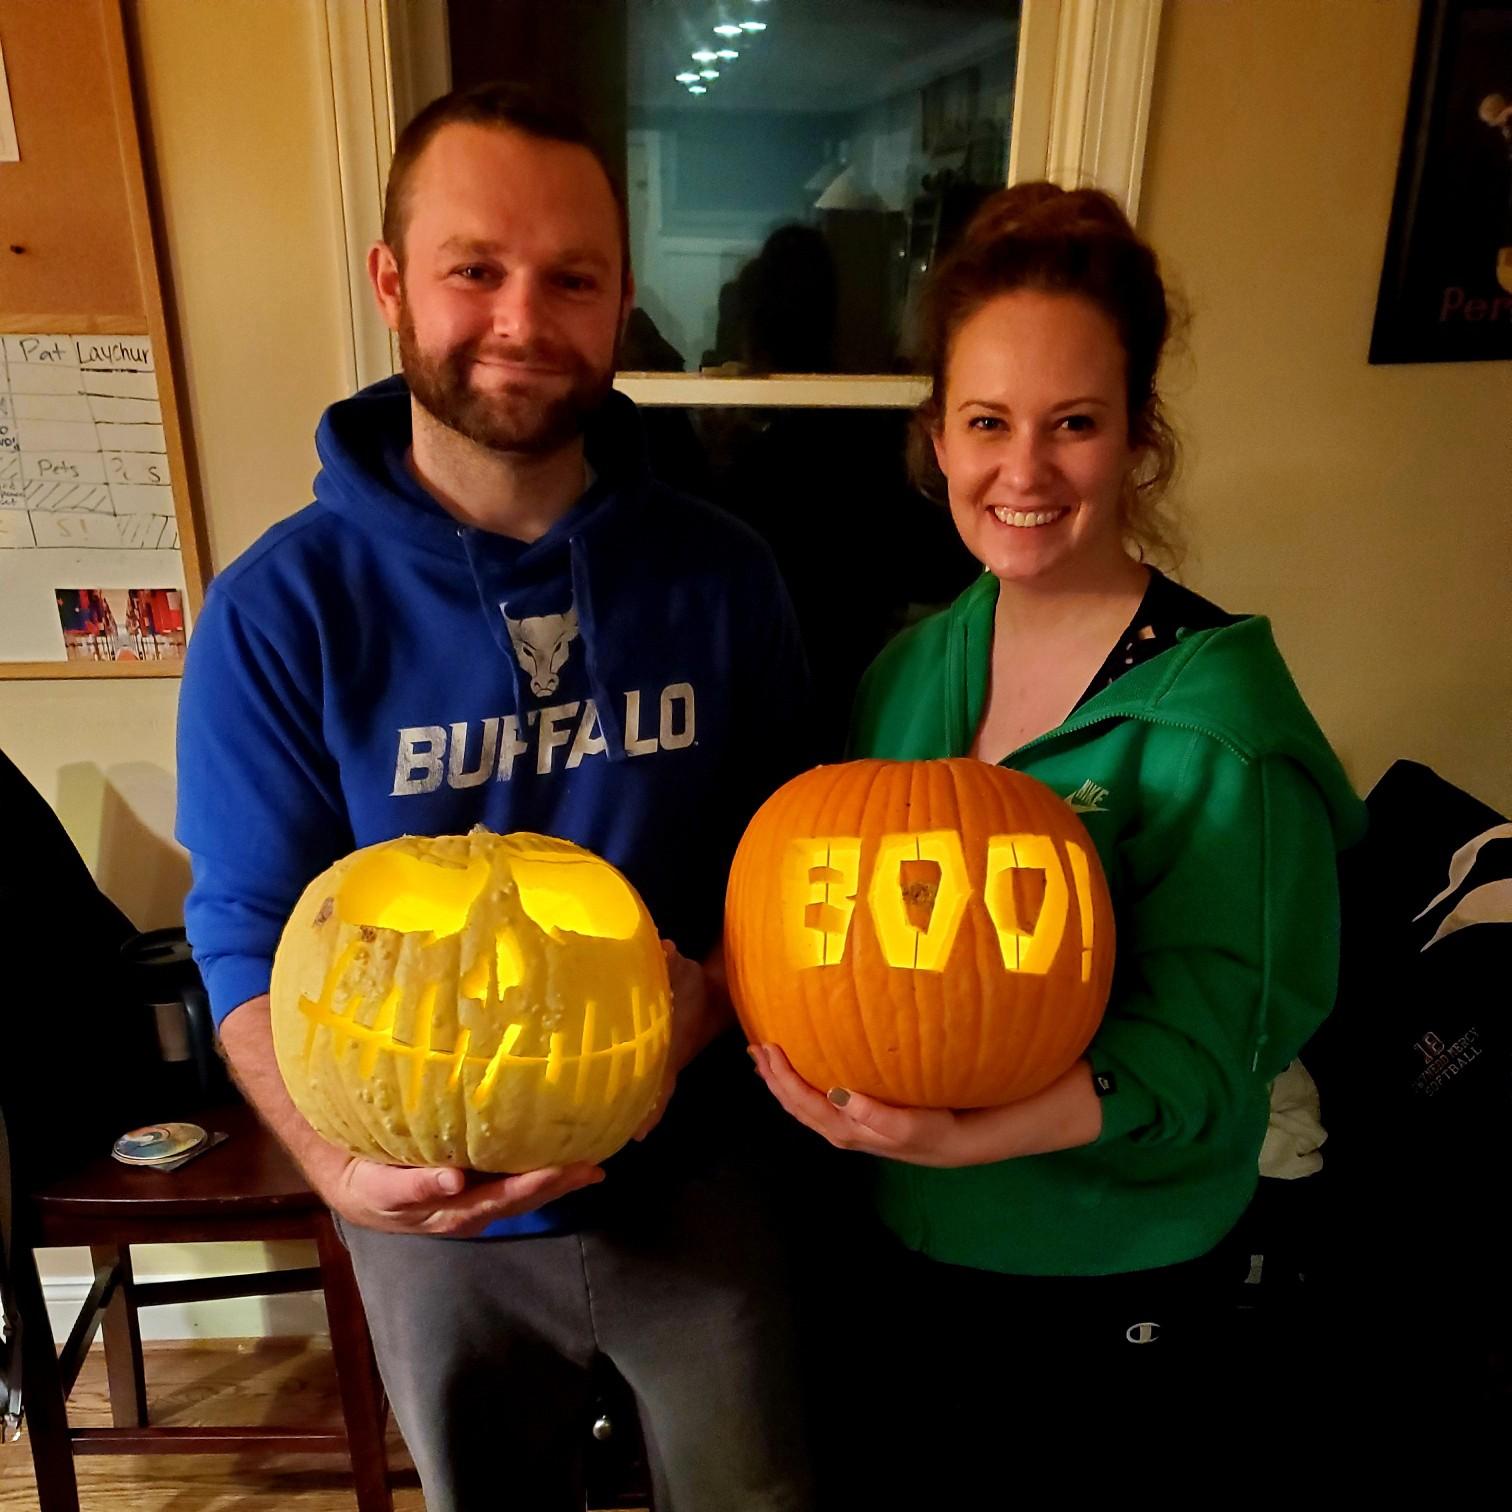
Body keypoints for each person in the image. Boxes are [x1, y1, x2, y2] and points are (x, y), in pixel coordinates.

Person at [176, 84, 814, 1511]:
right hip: (423, 1199)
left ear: (622, 298)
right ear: (392, 283)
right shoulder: (281, 612)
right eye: (476, 269)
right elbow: (242, 922)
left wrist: (704, 998)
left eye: (570, 278)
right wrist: (342, 1165)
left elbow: (794, 871)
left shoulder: (727, 575)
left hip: (699, 1174)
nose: (523, 319)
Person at [750, 183, 1368, 1481]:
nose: (1021, 472)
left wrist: (968, 1134)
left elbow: (1215, 1058)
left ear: (1139, 436)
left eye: (1073, 425)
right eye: (988, 422)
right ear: (938, 432)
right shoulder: (912, 671)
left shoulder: (1221, 727)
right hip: (899, 1250)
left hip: (1110, 1290)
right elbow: (847, 927)